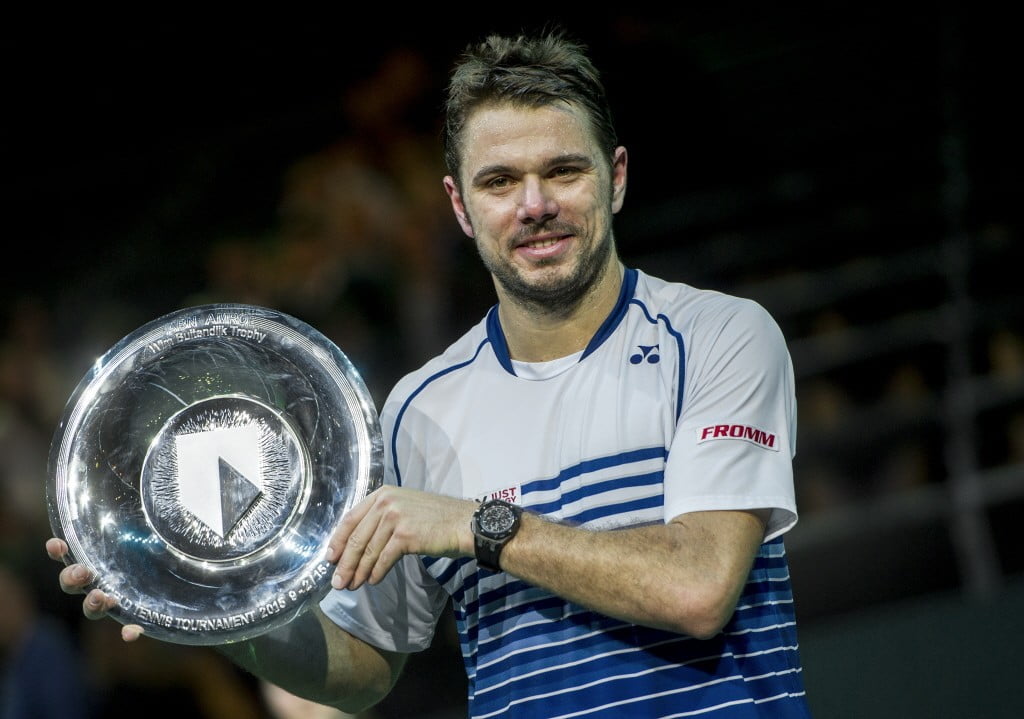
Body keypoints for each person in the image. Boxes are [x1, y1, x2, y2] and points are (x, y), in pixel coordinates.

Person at [48, 28, 811, 717]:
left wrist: (476, 524)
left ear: (615, 178)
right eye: (500, 181)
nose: (535, 204)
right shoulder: (419, 407)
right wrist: (206, 604)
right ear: (458, 205)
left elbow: (699, 587)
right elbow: (364, 669)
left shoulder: (719, 336)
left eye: (563, 171)